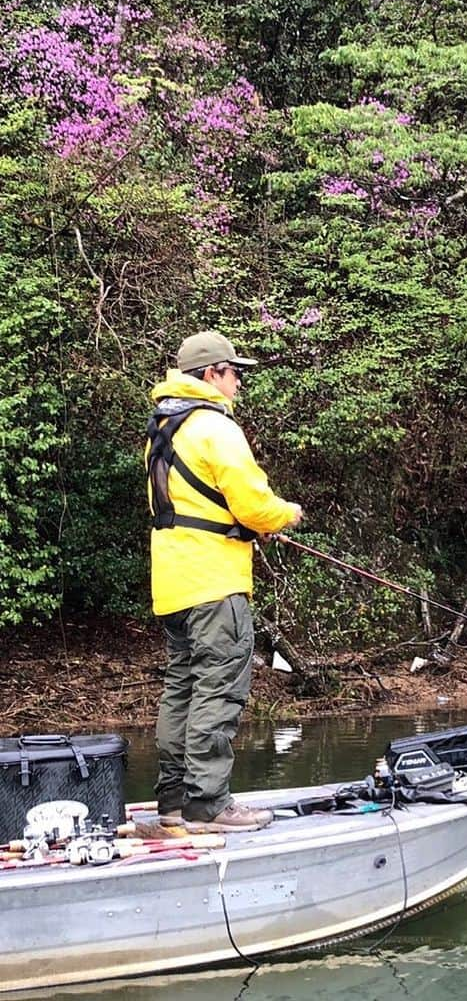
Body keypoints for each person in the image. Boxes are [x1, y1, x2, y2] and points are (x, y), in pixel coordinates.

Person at [145, 330, 303, 832]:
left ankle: (173, 800)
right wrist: (286, 516)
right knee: (218, 689)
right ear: (211, 374)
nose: (239, 381)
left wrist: (247, 524)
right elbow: (255, 504)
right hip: (214, 584)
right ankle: (209, 805)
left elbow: (196, 506)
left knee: (183, 689)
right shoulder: (215, 426)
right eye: (235, 371)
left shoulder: (163, 428)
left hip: (172, 585)